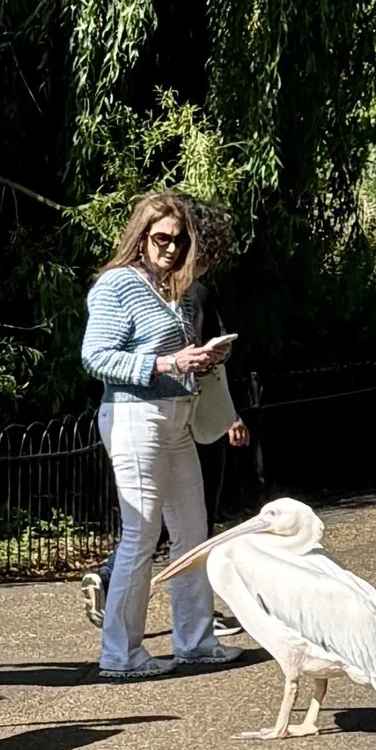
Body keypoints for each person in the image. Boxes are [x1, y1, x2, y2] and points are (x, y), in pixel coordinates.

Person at [81, 191, 249, 678]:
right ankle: (121, 654)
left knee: (193, 532)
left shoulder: (174, 289)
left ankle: (195, 641)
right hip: (136, 417)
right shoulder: (118, 284)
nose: (171, 249)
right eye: (161, 239)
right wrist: (168, 362)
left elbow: (174, 357)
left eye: (180, 241)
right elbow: (96, 356)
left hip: (177, 416)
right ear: (140, 237)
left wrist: (204, 359)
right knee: (141, 534)